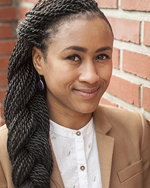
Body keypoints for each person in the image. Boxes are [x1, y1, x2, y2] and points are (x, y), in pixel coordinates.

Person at [0, 0, 150, 187]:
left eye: (101, 57)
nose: (92, 76)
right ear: (39, 61)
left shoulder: (136, 130)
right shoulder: (4, 151)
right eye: (73, 57)